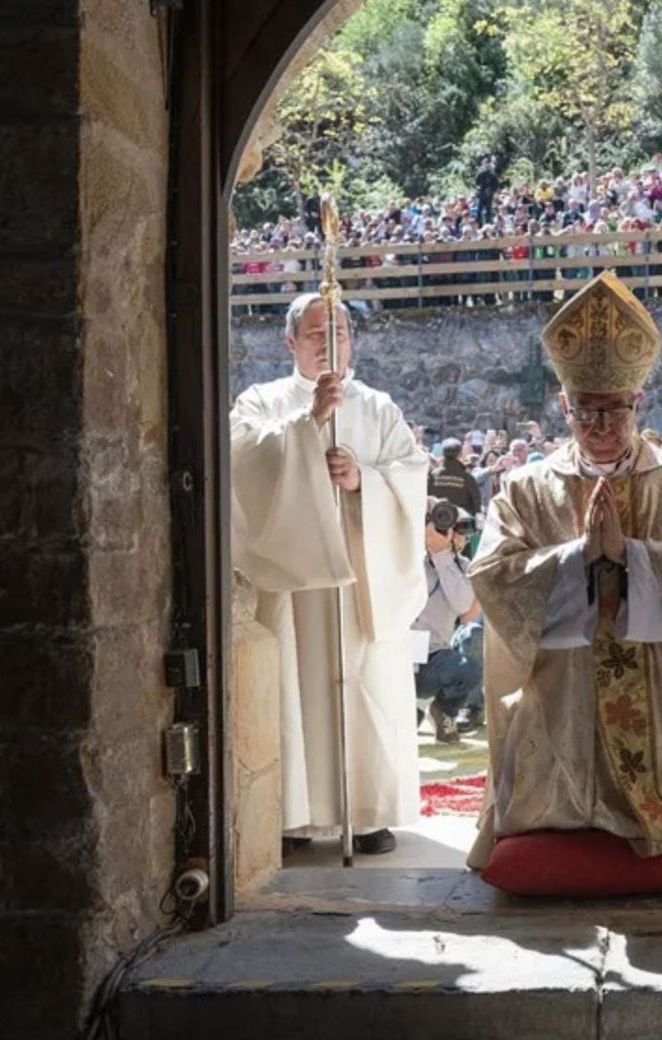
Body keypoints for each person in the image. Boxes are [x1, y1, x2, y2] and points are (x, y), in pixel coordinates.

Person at [465, 271, 662, 877]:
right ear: (564, 406)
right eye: (585, 413)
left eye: (613, 411)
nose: (600, 427)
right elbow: (491, 574)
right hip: (560, 687)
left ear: (637, 403)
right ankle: (563, 816)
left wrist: (633, 558)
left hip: (658, 682)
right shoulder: (527, 488)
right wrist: (577, 561)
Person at [230, 292, 429, 857]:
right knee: (293, 687)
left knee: (362, 685)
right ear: (290, 341)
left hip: (361, 580)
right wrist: (307, 425)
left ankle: (365, 813)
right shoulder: (261, 401)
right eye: (317, 333)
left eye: (339, 330)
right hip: (294, 584)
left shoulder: (377, 407)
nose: (330, 342)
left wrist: (363, 479)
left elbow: (411, 473)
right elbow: (241, 463)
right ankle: (291, 815)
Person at [413, 499, 484, 743]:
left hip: (434, 658)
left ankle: (445, 711)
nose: (458, 537)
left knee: (467, 670)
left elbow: (464, 606)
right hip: (395, 657)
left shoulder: (464, 568)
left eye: (459, 531)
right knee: (402, 733)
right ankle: (417, 708)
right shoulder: (409, 559)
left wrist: (442, 556)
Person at [429, 437, 482, 516]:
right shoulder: (467, 478)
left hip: (437, 521)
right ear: (460, 454)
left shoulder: (433, 475)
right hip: (462, 523)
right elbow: (476, 504)